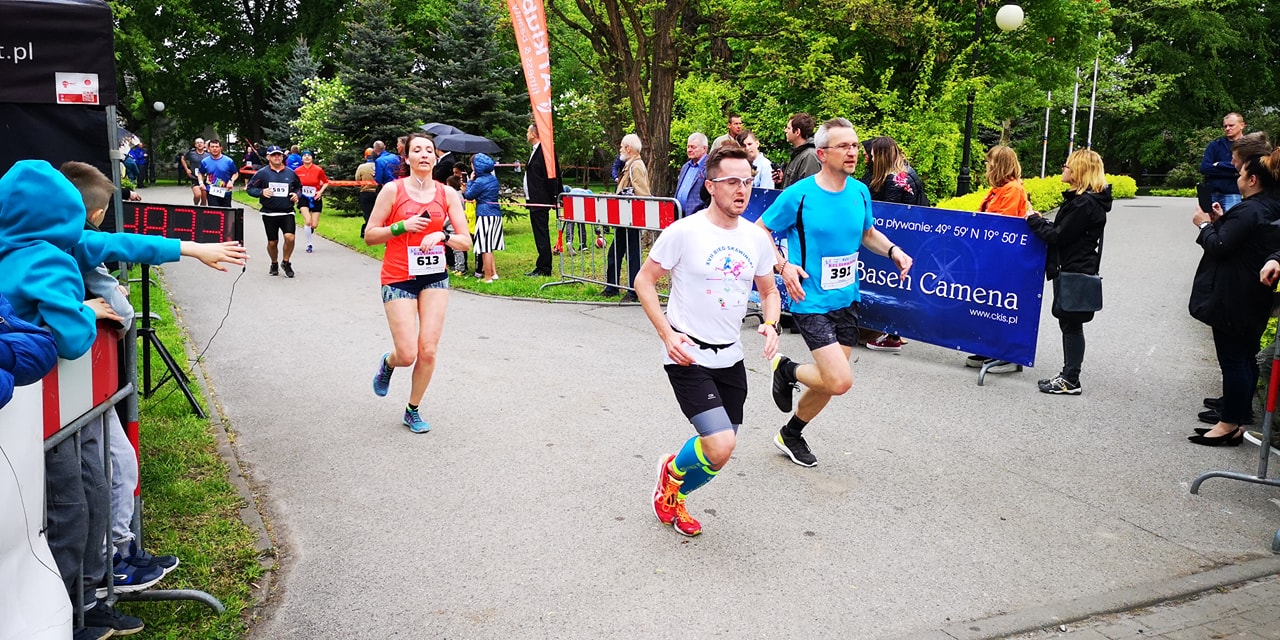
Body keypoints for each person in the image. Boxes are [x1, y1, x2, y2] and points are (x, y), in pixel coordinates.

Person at [0, 160, 245, 639]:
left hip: (39, 417)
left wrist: (192, 248)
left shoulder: (19, 246)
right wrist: (86, 311)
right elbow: (71, 338)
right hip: (49, 418)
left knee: (68, 501)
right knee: (72, 506)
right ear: (69, 213)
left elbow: (123, 243)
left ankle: (88, 591)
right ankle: (77, 607)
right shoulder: (49, 259)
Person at [637, 146, 782, 537]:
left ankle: (674, 488)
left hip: (730, 356)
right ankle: (671, 477)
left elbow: (769, 290)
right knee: (719, 443)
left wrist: (771, 323)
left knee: (721, 451)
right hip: (688, 354)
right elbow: (644, 281)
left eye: (747, 181)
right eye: (732, 181)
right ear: (711, 185)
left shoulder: (755, 238)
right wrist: (667, 334)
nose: (742, 189)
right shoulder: (684, 232)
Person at [760, 118, 913, 467]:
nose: (853, 152)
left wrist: (894, 251)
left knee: (829, 382)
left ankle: (791, 433)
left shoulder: (860, 192)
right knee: (840, 381)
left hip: (846, 298)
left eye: (855, 145)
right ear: (822, 153)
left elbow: (867, 234)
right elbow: (760, 230)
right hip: (810, 299)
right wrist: (783, 266)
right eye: (844, 146)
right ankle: (787, 370)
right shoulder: (799, 195)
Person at [60, 160, 182, 595]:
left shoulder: (60, 244)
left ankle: (120, 551)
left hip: (87, 392)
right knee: (104, 473)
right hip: (73, 395)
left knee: (118, 465)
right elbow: (122, 257)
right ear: (95, 214)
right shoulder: (67, 244)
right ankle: (109, 564)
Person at [364, 132, 471, 433]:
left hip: (434, 277)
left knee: (428, 350)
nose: (424, 155)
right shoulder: (392, 190)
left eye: (429, 150)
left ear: (436, 158)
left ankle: (412, 409)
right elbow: (370, 235)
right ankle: (389, 362)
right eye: (417, 150)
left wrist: (443, 236)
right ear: (407, 157)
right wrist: (401, 226)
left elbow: (466, 241)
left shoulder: (447, 194)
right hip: (399, 277)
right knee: (407, 353)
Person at [1192, 149, 1280, 445]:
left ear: (1253, 180)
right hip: (1253, 294)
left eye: (1241, 173)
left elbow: (1219, 246)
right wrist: (1221, 220)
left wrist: (1204, 225)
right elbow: (1239, 239)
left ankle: (1228, 423)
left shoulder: (1251, 210)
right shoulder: (1269, 207)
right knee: (1245, 357)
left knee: (1233, 360)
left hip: (1234, 294)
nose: (1237, 177)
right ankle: (1237, 417)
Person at [1025, 149, 1112, 395]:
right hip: (1075, 265)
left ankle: (1071, 379)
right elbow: (1066, 230)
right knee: (1069, 322)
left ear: (1079, 171)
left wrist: (1033, 220)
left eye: (1067, 165)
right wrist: (1042, 222)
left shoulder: (1084, 203)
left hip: (1074, 267)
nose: (1063, 168)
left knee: (1071, 323)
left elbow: (1058, 236)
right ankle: (1068, 375)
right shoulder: (1085, 201)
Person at [966, 145, 1031, 372]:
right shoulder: (999, 190)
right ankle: (989, 348)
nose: (987, 166)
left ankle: (1006, 354)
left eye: (990, 162)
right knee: (988, 303)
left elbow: (1004, 226)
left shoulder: (1013, 190)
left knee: (1001, 305)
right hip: (990, 257)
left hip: (1003, 260)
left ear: (999, 165)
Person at [861, 136, 929, 353]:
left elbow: (888, 212)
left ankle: (892, 334)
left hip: (897, 238)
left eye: (873, 154)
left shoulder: (894, 179)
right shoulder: (905, 172)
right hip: (911, 235)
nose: (870, 157)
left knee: (891, 284)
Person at [602, 134, 650, 302]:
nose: (620, 149)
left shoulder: (635, 166)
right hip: (625, 217)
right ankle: (612, 287)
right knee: (615, 252)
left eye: (622, 146)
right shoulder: (631, 164)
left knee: (632, 254)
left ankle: (633, 291)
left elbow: (643, 193)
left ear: (629, 148)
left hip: (631, 217)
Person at [245, 146, 302, 277]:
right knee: (272, 242)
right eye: (273, 155)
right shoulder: (262, 173)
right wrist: (261, 192)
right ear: (268, 157)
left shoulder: (290, 173)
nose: (277, 157)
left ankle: (286, 262)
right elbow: (250, 188)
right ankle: (274, 262)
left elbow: (299, 187)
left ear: (282, 157)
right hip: (269, 212)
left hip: (287, 211)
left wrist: (296, 195)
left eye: (279, 155)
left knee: (290, 237)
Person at [524, 123, 562, 277]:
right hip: (533, 199)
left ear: (534, 134)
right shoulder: (535, 150)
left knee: (541, 234)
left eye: (528, 131)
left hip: (540, 199)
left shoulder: (545, 151)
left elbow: (553, 175)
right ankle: (541, 264)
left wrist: (555, 197)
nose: (526, 134)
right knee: (538, 234)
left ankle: (544, 268)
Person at [466, 153, 503, 283]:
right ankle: (493, 273)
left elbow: (468, 195)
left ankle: (487, 278)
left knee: (484, 247)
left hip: (484, 214)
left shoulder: (479, 181)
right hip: (495, 213)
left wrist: (470, 181)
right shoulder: (493, 179)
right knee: (489, 246)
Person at [1200, 113, 1248, 212]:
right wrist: (1233, 172)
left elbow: (1246, 167)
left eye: (1231, 125)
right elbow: (1204, 168)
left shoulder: (1248, 146)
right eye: (1225, 126)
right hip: (1211, 193)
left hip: (1233, 193)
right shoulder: (1215, 145)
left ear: (1242, 125)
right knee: (1206, 221)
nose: (1227, 128)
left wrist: (1219, 164)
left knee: (1232, 220)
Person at [773, 112, 822, 188]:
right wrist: (782, 181)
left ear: (797, 132)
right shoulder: (798, 154)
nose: (785, 131)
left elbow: (809, 189)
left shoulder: (810, 157)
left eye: (788, 128)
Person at [295, 150, 330, 253]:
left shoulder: (318, 170)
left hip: (315, 197)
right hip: (303, 197)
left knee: (314, 225)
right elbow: (294, 184)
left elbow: (326, 182)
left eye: (309, 155)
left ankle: (309, 230)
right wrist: (296, 194)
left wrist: (320, 192)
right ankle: (309, 244)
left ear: (312, 158)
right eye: (304, 155)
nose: (307, 157)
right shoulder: (297, 171)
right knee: (308, 221)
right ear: (301, 158)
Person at [674, 133, 708, 216]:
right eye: (688, 147)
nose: (689, 150)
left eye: (693, 147)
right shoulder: (685, 166)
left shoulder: (710, 166)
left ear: (704, 149)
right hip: (679, 214)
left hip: (698, 216)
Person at [198, 139, 239, 208]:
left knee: (226, 212)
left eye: (217, 147)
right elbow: (200, 173)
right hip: (211, 190)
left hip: (225, 191)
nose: (215, 149)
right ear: (209, 149)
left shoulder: (228, 161)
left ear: (220, 148)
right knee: (214, 211)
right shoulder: (205, 161)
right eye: (212, 147)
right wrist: (201, 183)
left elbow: (235, 173)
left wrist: (231, 181)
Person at [356, 147, 377, 238]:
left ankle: (368, 232)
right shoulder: (379, 165)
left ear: (365, 156)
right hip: (378, 193)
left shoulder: (361, 167)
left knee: (367, 213)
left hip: (365, 193)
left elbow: (357, 180)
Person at [182, 138, 210, 205]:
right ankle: (196, 206)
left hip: (205, 178)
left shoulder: (208, 154)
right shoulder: (191, 153)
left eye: (201, 142)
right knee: (197, 195)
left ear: (204, 145)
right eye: (197, 143)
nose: (199, 144)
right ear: (195, 145)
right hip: (194, 177)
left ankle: (201, 211)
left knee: (204, 199)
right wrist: (187, 169)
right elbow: (183, 158)